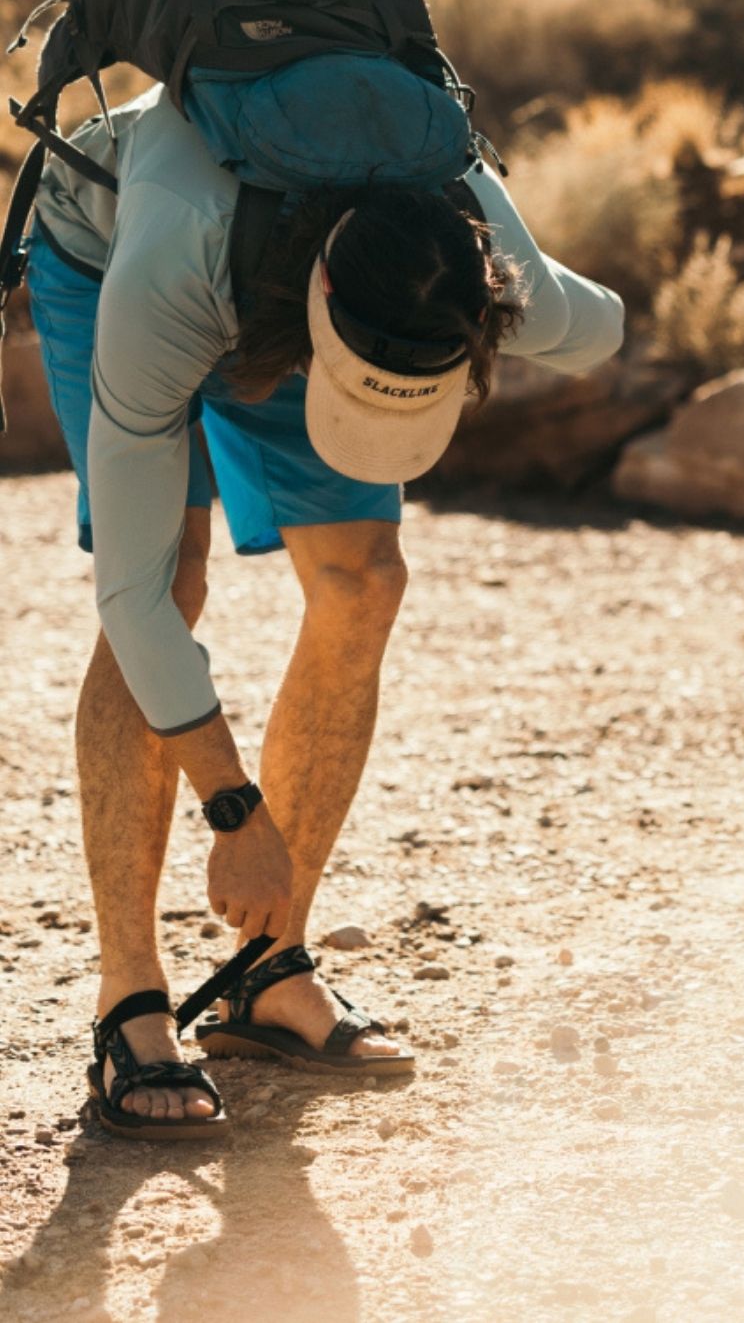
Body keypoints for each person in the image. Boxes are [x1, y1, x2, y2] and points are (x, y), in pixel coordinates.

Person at [26, 81, 624, 1135]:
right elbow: (131, 593)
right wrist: (234, 808)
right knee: (171, 577)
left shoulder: (473, 258)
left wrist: (541, 302)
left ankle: (267, 973)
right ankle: (131, 999)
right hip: (116, 257)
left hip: (327, 292)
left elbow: (600, 327)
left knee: (364, 578)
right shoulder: (174, 256)